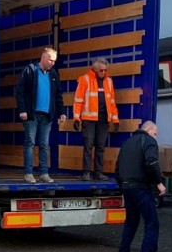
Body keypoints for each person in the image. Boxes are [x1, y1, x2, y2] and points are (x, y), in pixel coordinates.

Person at [115, 120, 166, 252]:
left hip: (127, 187)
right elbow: (151, 163)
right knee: (152, 222)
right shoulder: (149, 141)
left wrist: (122, 189)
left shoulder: (127, 143)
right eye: (155, 133)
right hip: (141, 188)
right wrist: (159, 182)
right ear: (149, 130)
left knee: (131, 221)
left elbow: (118, 168)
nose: (156, 137)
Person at [14, 47, 67, 183]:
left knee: (44, 144)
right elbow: (19, 91)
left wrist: (62, 112)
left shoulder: (53, 74)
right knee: (30, 143)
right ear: (43, 58)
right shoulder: (30, 70)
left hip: (47, 115)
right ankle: (28, 173)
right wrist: (22, 110)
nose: (52, 63)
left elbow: (58, 95)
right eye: (50, 60)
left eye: (54, 61)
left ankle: (44, 173)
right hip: (31, 114)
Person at [73, 58, 120, 181]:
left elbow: (112, 102)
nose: (103, 72)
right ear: (94, 69)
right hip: (88, 118)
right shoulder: (85, 79)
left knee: (100, 147)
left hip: (103, 119)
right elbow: (78, 100)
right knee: (88, 146)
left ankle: (98, 173)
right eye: (101, 70)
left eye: (105, 70)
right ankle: (86, 173)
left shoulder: (109, 81)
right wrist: (76, 118)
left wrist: (115, 120)